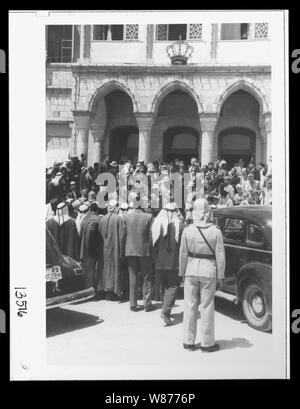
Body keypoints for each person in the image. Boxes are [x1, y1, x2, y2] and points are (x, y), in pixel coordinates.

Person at [179, 198, 225, 352]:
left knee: (190, 306)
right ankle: (207, 343)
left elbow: (183, 254)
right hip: (209, 271)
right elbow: (220, 256)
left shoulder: (188, 230)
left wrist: (181, 272)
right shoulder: (216, 231)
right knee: (207, 307)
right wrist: (221, 275)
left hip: (191, 270)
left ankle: (188, 341)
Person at [152, 203, 185, 326]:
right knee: (172, 286)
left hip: (159, 263)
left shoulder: (156, 225)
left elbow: (152, 245)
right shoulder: (180, 226)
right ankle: (166, 311)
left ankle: (164, 309)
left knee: (164, 286)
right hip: (173, 263)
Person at [124, 194, 154, 312]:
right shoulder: (149, 217)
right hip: (144, 250)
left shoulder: (127, 217)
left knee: (133, 277)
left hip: (130, 250)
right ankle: (147, 303)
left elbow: (123, 235)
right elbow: (151, 236)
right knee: (147, 277)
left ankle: (133, 303)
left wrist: (123, 250)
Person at [99, 199, 124, 300]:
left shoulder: (102, 219)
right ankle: (113, 292)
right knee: (114, 269)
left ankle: (105, 290)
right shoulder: (118, 219)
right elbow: (122, 236)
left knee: (105, 269)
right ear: (115, 208)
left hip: (104, 249)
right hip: (115, 248)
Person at [79, 202, 102, 291]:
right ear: (96, 211)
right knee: (92, 271)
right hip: (92, 249)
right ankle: (90, 290)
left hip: (83, 249)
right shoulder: (97, 219)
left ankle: (86, 288)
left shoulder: (84, 219)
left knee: (86, 270)